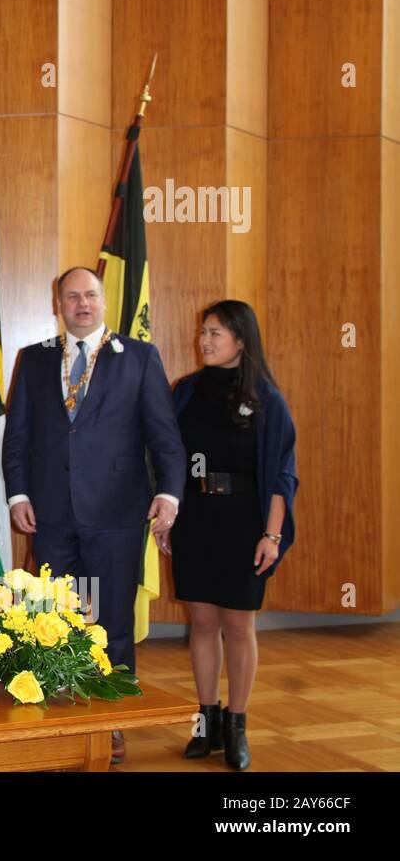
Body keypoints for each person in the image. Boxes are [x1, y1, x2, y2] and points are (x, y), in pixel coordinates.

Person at [1, 266, 185, 764]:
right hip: (51, 512)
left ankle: (110, 720)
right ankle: (60, 713)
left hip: (118, 511)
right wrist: (18, 495)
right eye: (72, 296)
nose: (83, 303)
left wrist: (169, 493)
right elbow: (17, 435)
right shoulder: (34, 359)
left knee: (111, 621)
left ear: (104, 302)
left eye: (91, 295)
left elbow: (163, 435)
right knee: (54, 615)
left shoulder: (140, 357)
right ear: (57, 304)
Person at [157, 300, 297, 771]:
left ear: (241, 339)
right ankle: (206, 723)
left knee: (238, 626)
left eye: (215, 332)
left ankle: (237, 725)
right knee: (201, 623)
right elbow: (168, 457)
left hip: (243, 523)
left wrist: (272, 537)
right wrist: (168, 514)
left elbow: (282, 476)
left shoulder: (266, 399)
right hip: (195, 518)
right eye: (203, 332)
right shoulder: (185, 391)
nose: (205, 340)